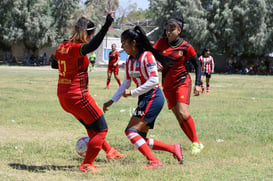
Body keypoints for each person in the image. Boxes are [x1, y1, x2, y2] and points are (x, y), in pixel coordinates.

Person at [51, 12, 124, 173]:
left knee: (91, 127)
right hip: (78, 96)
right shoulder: (77, 48)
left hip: (64, 97)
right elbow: (91, 47)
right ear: (86, 33)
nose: (91, 39)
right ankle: (87, 164)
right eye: (90, 35)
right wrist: (106, 26)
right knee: (102, 129)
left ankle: (110, 151)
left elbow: (54, 65)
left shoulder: (62, 46)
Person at [103, 26, 184, 169]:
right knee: (139, 137)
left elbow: (153, 80)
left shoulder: (147, 56)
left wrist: (133, 93)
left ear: (133, 42)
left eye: (124, 43)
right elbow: (126, 82)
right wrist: (112, 100)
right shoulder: (129, 60)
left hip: (153, 97)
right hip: (145, 99)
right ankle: (173, 148)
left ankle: (154, 161)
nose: (122, 46)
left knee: (130, 131)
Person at [153, 17, 204, 155]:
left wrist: (198, 84)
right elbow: (151, 54)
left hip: (182, 81)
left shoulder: (186, 46)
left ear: (179, 30)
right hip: (167, 85)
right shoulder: (161, 43)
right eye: (167, 30)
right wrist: (156, 62)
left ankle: (196, 142)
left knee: (182, 112)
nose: (168, 32)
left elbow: (197, 64)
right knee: (178, 116)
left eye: (172, 30)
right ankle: (196, 143)